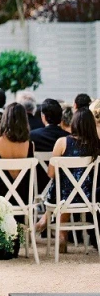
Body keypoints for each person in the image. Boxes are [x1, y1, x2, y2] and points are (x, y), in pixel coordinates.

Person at [36, 108, 100, 253]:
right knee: (70, 189)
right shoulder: (97, 144)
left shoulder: (62, 142)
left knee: (63, 189)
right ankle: (49, 225)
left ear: (74, 123)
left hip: (62, 197)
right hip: (88, 197)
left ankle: (59, 233)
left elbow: (51, 174)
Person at [0, 103, 34, 259]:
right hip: (23, 199)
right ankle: (15, 243)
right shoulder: (29, 145)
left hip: (0, 199)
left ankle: (0, 244)